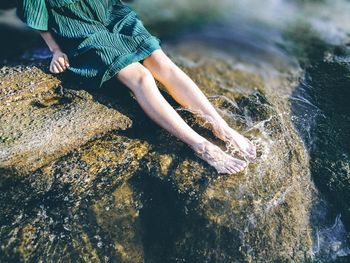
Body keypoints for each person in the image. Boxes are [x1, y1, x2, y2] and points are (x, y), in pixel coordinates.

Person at [16, 0, 256, 174]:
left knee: (162, 63)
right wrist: (56, 50)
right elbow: (38, 15)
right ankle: (201, 146)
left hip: (111, 13)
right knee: (141, 77)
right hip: (77, 29)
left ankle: (221, 128)